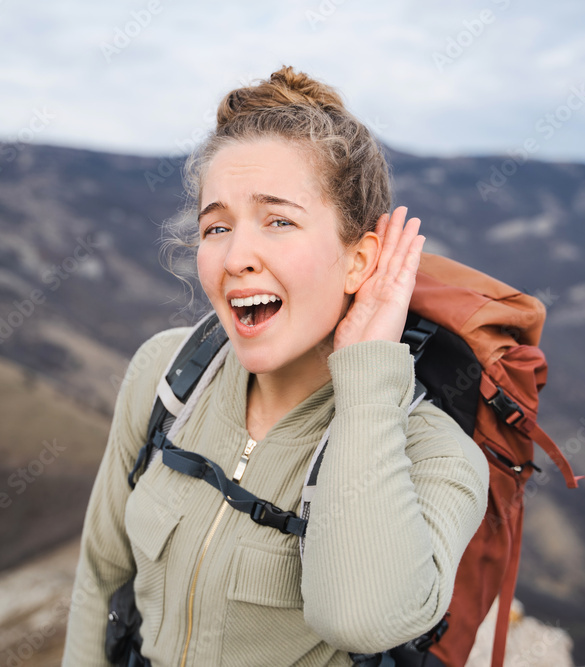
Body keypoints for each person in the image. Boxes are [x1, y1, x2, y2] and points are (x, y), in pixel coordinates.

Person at [61, 65, 489, 667]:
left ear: (358, 260)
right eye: (217, 226)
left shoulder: (436, 454)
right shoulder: (167, 375)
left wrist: (368, 376)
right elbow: (100, 581)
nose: (236, 257)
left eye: (279, 220)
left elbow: (360, 618)